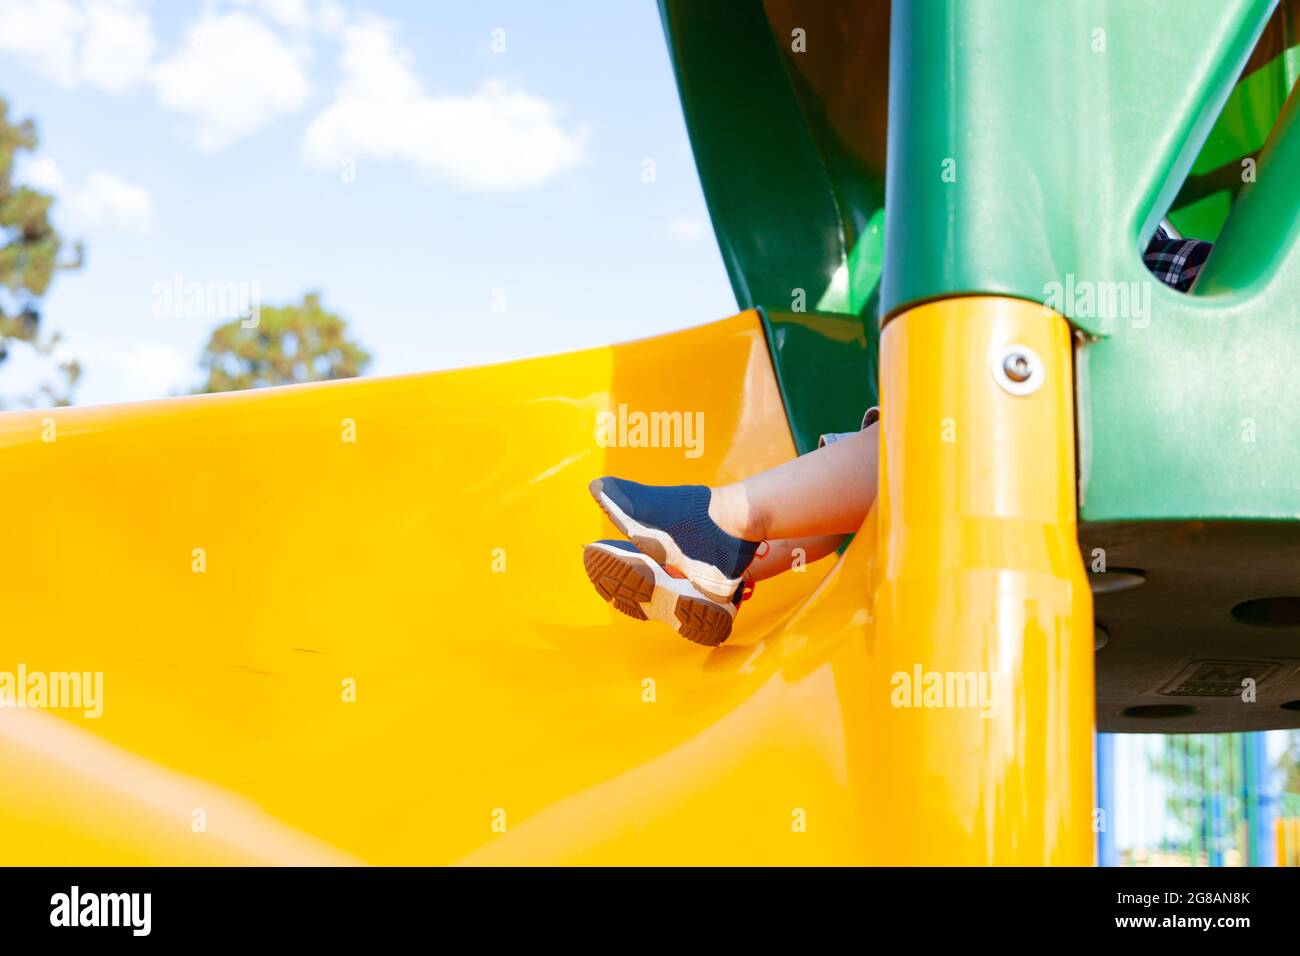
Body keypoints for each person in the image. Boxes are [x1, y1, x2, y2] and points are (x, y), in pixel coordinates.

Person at [583, 226, 1214, 646]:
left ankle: (722, 529)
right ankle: (723, 569)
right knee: (947, 427)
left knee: (951, 421)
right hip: (1114, 409)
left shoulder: (1162, 272)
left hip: (1109, 427)